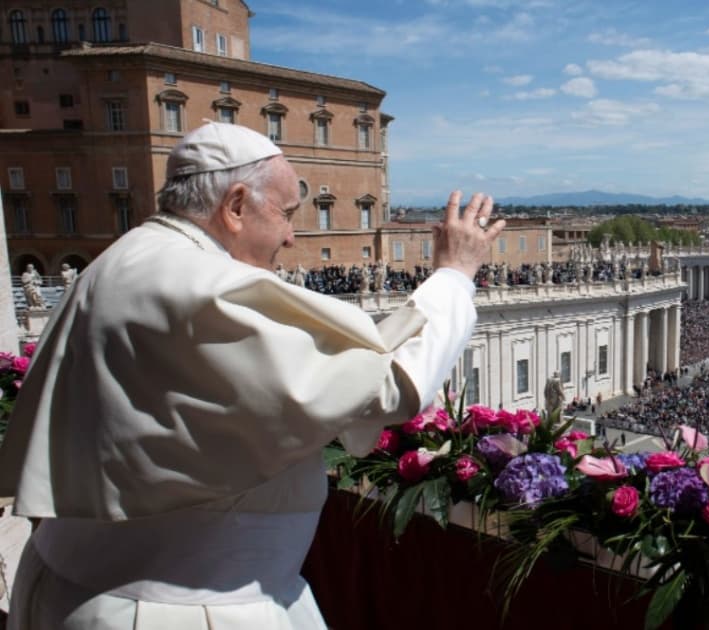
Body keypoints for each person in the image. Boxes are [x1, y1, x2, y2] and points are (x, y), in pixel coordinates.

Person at [0, 122, 505, 629]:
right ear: (235, 206)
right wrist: (454, 276)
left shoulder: (124, 258)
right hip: (172, 609)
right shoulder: (197, 286)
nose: (291, 235)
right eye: (285, 215)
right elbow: (388, 385)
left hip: (75, 582)